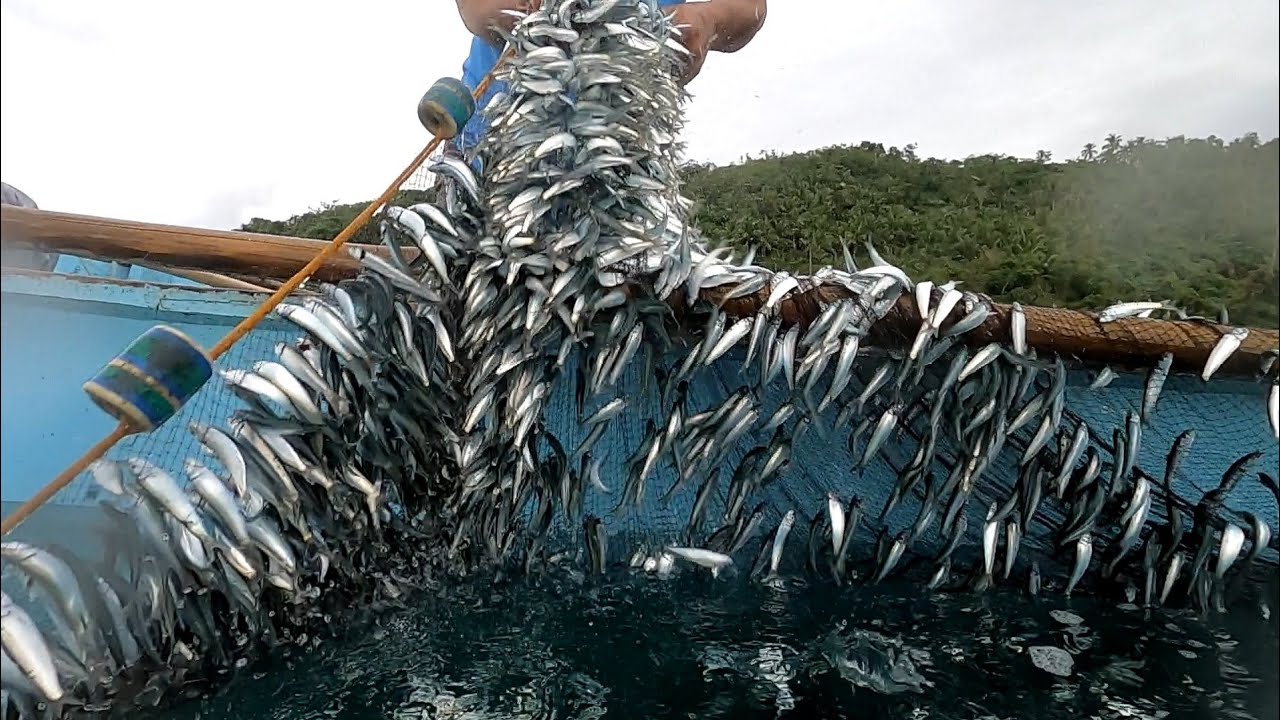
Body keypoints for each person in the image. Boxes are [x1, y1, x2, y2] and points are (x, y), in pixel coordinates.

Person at [450, 0, 767, 157]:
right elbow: (478, 6)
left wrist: (709, 20)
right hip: (487, 151)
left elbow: (750, 8)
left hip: (627, 163)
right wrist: (497, 10)